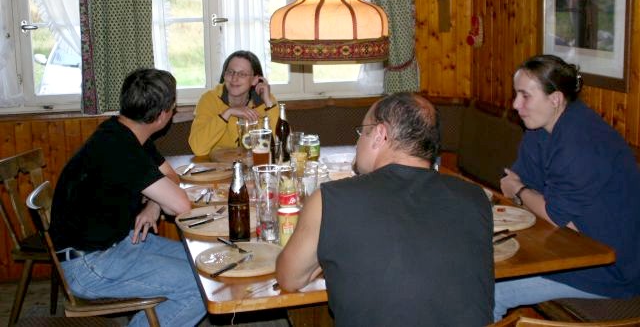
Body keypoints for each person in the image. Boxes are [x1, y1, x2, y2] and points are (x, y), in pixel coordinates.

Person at [276, 92, 494, 327]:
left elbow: (289, 278)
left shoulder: (329, 200)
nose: (358, 143)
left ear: (380, 135)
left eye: (362, 133)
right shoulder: (475, 198)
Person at [49, 68, 206, 327]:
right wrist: (162, 200)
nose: (174, 110)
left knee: (205, 265)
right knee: (200, 286)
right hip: (88, 264)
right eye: (173, 107)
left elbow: (171, 176)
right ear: (161, 115)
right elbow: (180, 204)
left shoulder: (125, 131)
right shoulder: (121, 149)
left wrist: (154, 204)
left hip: (117, 244)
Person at [495, 54, 640, 320]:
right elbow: (512, 181)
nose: (515, 104)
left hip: (610, 267)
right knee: (477, 265)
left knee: (491, 290)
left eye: (525, 96)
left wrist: (521, 192)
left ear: (555, 99)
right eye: (516, 94)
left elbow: (550, 211)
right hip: (569, 242)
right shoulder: (539, 128)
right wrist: (524, 193)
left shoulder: (581, 142)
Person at [189, 50, 278, 156]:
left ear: (255, 80)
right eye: (230, 72)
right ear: (224, 75)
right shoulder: (209, 99)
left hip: (256, 163)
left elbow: (282, 143)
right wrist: (227, 113)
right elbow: (198, 148)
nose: (234, 78)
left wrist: (268, 103)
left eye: (242, 74)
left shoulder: (265, 99)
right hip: (219, 164)